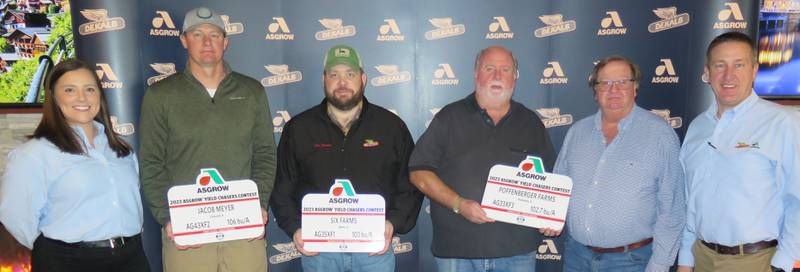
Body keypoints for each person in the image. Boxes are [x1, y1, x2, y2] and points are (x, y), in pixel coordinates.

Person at [138, 7, 275, 272]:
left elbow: (265, 154)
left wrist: (259, 204)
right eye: (197, 34)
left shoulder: (252, 91)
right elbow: (151, 162)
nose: (207, 42)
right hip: (188, 231)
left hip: (243, 228)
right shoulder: (160, 95)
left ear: (226, 42)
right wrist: (167, 217)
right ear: (183, 40)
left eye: (214, 34)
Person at [269, 44, 423, 272]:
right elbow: (281, 187)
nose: (342, 82)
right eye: (334, 75)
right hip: (320, 253)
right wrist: (295, 229)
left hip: (374, 251)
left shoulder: (390, 127)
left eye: (350, 74)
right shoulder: (299, 129)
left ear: (363, 78)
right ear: (324, 80)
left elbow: (410, 183)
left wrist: (393, 223)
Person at [409, 45, 556, 272]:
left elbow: (550, 179)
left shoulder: (530, 122)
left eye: (505, 70)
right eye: (489, 68)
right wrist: (459, 204)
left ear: (515, 77)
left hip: (516, 252)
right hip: (457, 252)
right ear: (476, 74)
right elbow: (419, 171)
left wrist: (550, 215)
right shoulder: (449, 117)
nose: (497, 76)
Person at [0, 59, 149, 271]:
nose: (82, 98)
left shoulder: (121, 150)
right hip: (69, 261)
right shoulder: (35, 154)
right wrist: (56, 248)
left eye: (90, 89)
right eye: (70, 90)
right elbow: (15, 216)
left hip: (130, 257)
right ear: (53, 96)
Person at [545, 55, 684, 272]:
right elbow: (559, 185)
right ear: (595, 90)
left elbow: (672, 206)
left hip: (631, 262)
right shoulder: (577, 132)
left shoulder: (659, 134)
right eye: (606, 83)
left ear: (635, 87)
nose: (614, 89)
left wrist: (660, 264)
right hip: (576, 256)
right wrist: (550, 215)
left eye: (622, 81)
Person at [677, 32, 800, 272]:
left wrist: (782, 264)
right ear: (707, 72)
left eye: (739, 65)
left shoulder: (783, 123)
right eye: (720, 65)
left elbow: (798, 200)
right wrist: (685, 259)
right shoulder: (698, 127)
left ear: (754, 70)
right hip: (701, 257)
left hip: (756, 262)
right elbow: (689, 200)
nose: (728, 75)